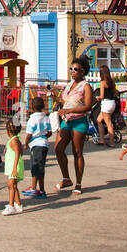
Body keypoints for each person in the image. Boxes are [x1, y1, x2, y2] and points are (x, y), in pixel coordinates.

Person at [53, 60, 95, 193]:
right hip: (66, 121)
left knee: (77, 152)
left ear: (83, 71)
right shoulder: (69, 84)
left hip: (79, 121)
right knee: (58, 148)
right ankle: (66, 178)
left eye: (75, 69)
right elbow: (65, 102)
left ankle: (78, 183)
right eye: (71, 68)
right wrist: (56, 98)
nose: (72, 71)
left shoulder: (86, 86)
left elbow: (88, 106)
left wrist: (70, 110)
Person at [21, 94, 51, 199]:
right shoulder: (46, 118)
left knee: (35, 167)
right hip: (44, 144)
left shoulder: (32, 120)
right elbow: (50, 132)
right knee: (41, 167)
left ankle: (34, 188)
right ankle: (41, 189)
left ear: (32, 108)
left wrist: (25, 144)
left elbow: (29, 134)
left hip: (35, 145)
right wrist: (44, 136)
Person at [2, 120, 25, 215]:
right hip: (13, 166)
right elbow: (21, 152)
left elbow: (17, 153)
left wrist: (15, 167)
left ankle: (11, 205)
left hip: (14, 167)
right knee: (13, 186)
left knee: (11, 185)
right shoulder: (16, 140)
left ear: (8, 131)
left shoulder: (14, 141)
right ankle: (18, 204)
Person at [94, 64, 120, 145]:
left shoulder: (102, 83)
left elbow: (101, 96)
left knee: (109, 123)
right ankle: (102, 139)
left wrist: (98, 97)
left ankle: (111, 142)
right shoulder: (112, 81)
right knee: (99, 120)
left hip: (106, 104)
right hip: (112, 102)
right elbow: (116, 93)